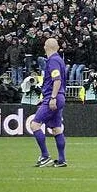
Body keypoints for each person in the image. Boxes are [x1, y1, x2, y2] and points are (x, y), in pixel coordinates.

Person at [28, 37, 68, 168]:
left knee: (34, 125)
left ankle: (45, 156)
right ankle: (61, 160)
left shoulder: (53, 61)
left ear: (47, 47)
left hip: (54, 97)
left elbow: (57, 80)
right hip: (59, 96)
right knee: (56, 129)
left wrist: (52, 98)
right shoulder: (59, 60)